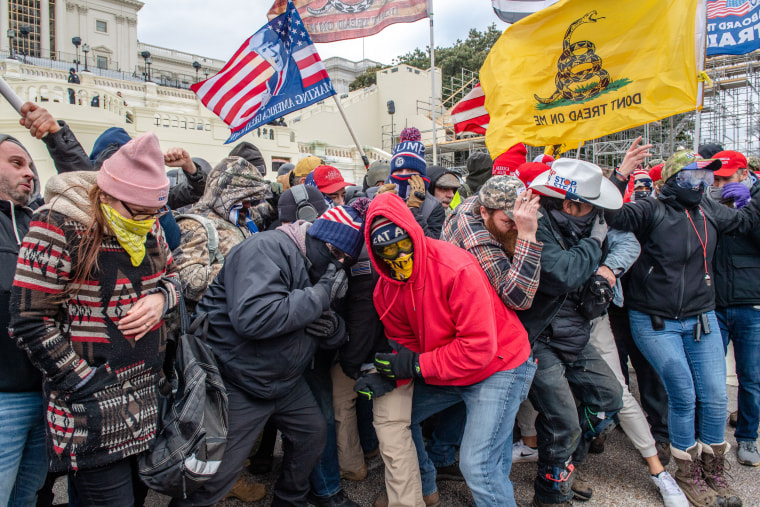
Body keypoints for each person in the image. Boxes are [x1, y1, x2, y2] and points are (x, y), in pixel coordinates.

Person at [10, 132, 180, 505]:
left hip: (145, 403)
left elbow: (173, 276)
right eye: (137, 212)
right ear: (105, 193)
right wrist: (83, 382)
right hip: (90, 412)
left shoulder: (147, 224)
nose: (147, 221)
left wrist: (160, 298)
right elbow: (28, 319)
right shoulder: (57, 225)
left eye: (155, 213)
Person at [172, 200, 361, 507]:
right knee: (216, 473)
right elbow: (254, 318)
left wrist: (332, 330)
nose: (337, 263)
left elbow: (333, 326)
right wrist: (318, 297)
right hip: (239, 378)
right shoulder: (268, 248)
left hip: (284, 380)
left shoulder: (323, 268)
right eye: (335, 253)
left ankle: (290, 500)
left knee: (312, 435)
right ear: (318, 238)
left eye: (345, 259)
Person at [608, 142, 760, 507]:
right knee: (683, 394)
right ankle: (686, 470)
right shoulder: (651, 207)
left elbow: (747, 223)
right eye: (695, 174)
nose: (704, 180)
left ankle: (712, 469)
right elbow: (613, 216)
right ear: (675, 178)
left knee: (715, 396)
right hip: (655, 320)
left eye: (707, 174)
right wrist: (621, 173)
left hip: (701, 319)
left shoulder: (707, 208)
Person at [365, 192, 536, 507]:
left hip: (500, 365)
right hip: (453, 367)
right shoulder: (386, 290)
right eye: (385, 251)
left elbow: (479, 348)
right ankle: (426, 487)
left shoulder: (455, 267)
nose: (397, 257)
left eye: (402, 245)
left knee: (479, 466)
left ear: (413, 234)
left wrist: (415, 367)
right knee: (398, 419)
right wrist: (392, 376)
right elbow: (407, 348)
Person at [519, 158, 625, 507]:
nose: (599, 218)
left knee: (608, 399)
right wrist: (595, 245)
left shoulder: (582, 230)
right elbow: (562, 272)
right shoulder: (540, 225)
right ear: (569, 204)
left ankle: (562, 467)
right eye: (592, 210)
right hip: (539, 339)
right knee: (564, 422)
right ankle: (551, 495)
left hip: (574, 335)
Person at [0, 134, 49, 506]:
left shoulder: (41, 225)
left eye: (31, 165)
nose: (29, 173)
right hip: (4, 399)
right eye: (17, 163)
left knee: (27, 496)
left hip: (46, 392)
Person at [708, 150, 760, 467]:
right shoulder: (708, 201)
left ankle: (748, 438)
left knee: (751, 377)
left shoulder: (755, 198)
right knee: (712, 378)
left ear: (743, 174)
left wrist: (750, 214)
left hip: (750, 303)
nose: (720, 182)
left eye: (726, 177)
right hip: (714, 302)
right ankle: (711, 440)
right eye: (716, 177)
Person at [249, 27, 305, 110]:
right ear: (261, 55)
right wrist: (266, 103)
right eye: (264, 50)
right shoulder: (272, 83)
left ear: (280, 43)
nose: (272, 54)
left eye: (272, 45)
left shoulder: (299, 68)